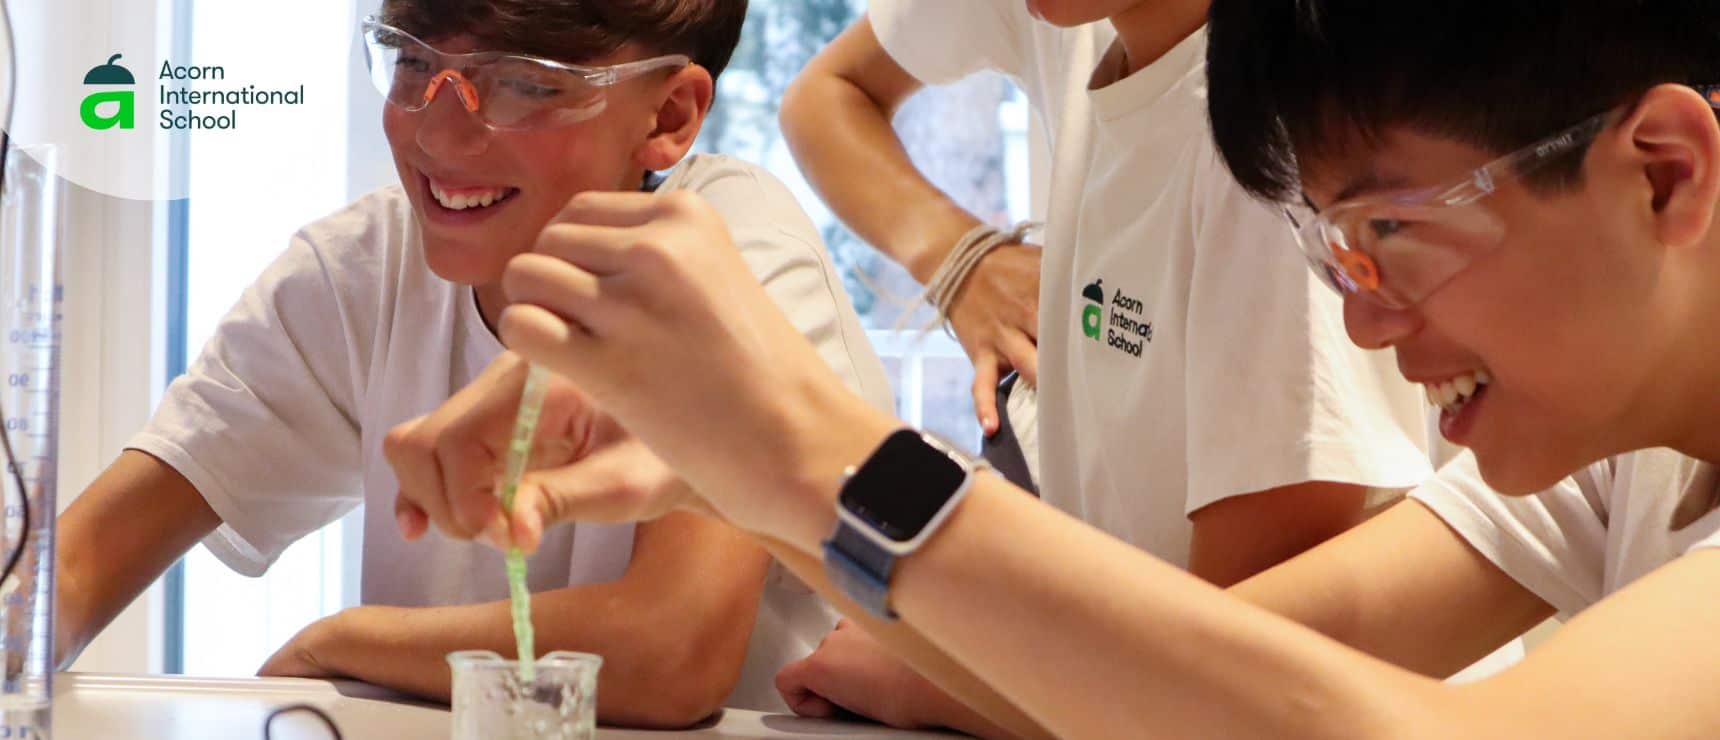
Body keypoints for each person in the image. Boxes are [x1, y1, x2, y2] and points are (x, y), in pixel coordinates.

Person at [393, 0, 1720, 735]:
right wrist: (755, 493)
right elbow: (1173, 689)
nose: (1367, 326)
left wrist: (816, 453)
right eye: (1335, 250)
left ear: (1663, 172)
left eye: (1394, 235)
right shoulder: (1616, 461)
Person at [53, 0, 894, 726]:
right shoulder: (364, 268)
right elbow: (80, 564)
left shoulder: (728, 245)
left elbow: (670, 651)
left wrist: (339, 642)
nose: (439, 129)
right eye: (412, 62)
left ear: (669, 115)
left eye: (523, 82)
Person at [774, 1, 1480, 731]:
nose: (1374, 319)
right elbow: (829, 93)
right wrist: (960, 256)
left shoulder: (1269, 145)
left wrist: (930, 671)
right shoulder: (1075, 22)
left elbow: (1226, 686)